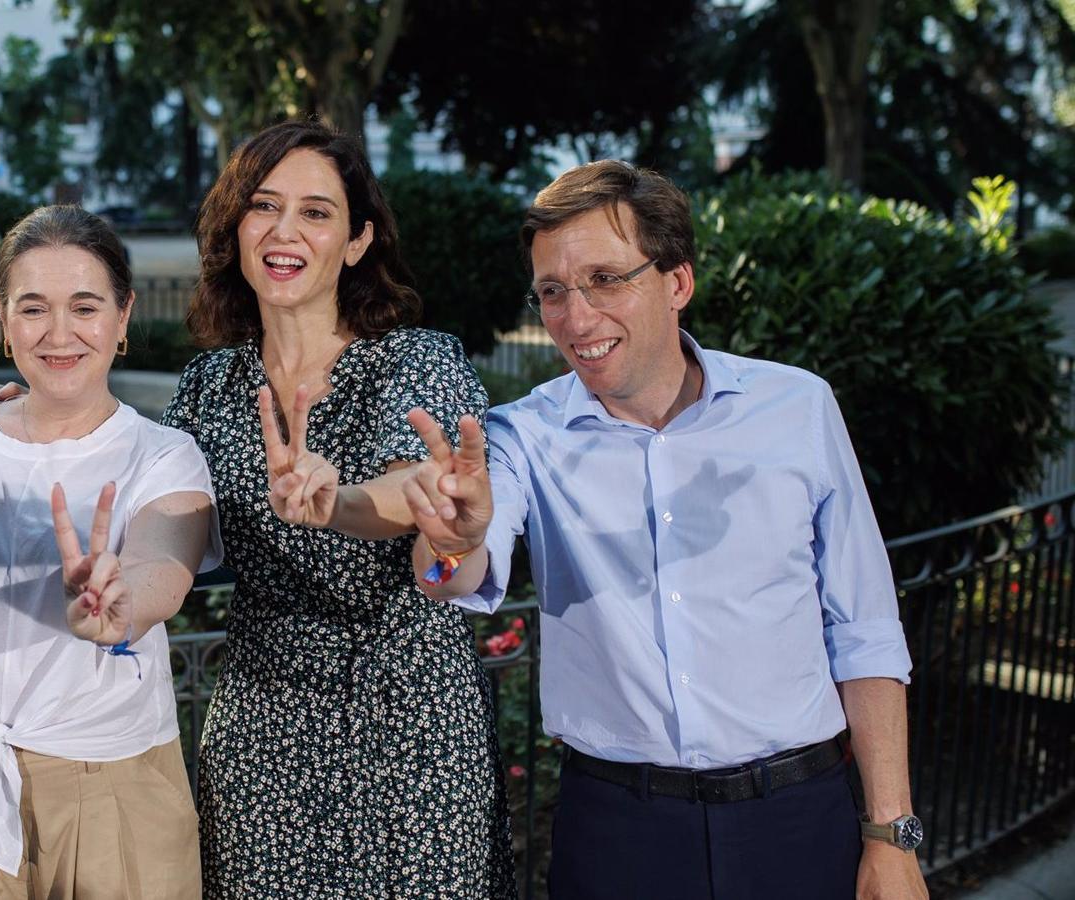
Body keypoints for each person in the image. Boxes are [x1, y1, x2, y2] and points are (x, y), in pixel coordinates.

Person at [407, 160, 927, 899]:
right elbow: (450, 576)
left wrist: (890, 833)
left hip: (801, 820)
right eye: (552, 291)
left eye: (606, 280)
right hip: (620, 835)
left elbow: (866, 629)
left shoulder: (798, 408)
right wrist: (452, 538)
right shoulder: (521, 436)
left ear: (677, 281)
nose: (575, 317)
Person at [166, 120, 514, 897]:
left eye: (316, 213)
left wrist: (336, 504)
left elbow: (411, 490)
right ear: (238, 226)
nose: (285, 231)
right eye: (264, 206)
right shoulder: (207, 388)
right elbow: (161, 520)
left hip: (412, 727)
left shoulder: (414, 360)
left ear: (357, 242)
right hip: (261, 732)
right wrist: (32, 409)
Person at [0, 205, 219, 900]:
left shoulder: (163, 456)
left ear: (123, 317)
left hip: (112, 795)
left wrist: (120, 603)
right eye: (34, 308)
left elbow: (162, 566)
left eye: (86, 307)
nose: (60, 333)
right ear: (4, 320)